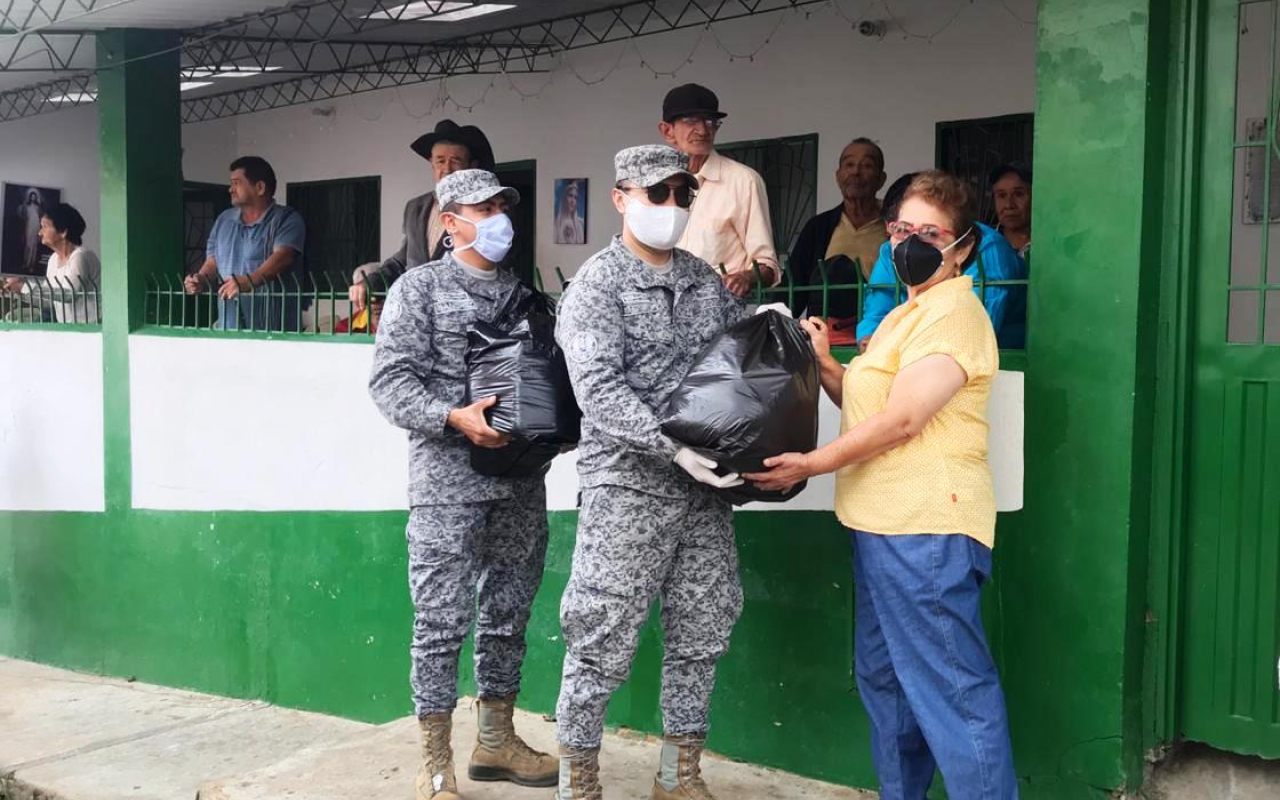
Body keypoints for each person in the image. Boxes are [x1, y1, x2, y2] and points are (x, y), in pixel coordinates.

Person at [745, 171, 1017, 800]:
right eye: (899, 230)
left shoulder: (956, 314)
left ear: (964, 246)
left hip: (927, 527)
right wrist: (827, 365)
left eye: (928, 233)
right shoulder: (905, 313)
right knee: (887, 682)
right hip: (879, 525)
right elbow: (874, 405)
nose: (907, 243)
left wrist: (809, 465)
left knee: (952, 690)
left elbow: (903, 421)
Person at [552, 145, 748, 800]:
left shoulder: (702, 279)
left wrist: (777, 327)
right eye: (656, 194)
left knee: (704, 624)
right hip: (626, 484)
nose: (670, 207)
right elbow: (599, 391)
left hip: (703, 491)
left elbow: (739, 354)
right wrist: (671, 448)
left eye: (680, 195)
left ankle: (678, 775)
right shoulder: (596, 284)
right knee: (600, 632)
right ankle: (578, 779)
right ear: (621, 197)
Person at [368, 169, 557, 800]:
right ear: (450, 221)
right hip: (446, 484)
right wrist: (454, 417)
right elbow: (389, 384)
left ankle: (497, 741)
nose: (500, 216)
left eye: (504, 205)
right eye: (486, 206)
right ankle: (436, 760)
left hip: (520, 483)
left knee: (509, 615)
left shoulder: (526, 295)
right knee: (441, 621)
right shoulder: (417, 291)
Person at [856, 172, 1027, 351]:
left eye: (930, 232)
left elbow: (970, 335)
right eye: (903, 228)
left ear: (963, 248)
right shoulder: (890, 250)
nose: (911, 243)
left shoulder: (988, 251)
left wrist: (888, 350)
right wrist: (870, 346)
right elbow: (876, 316)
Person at [349, 120, 496, 312]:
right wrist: (370, 282)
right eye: (440, 160)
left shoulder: (483, 209)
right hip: (418, 310)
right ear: (431, 164)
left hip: (462, 312)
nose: (447, 169)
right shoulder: (415, 207)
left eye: (456, 161)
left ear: (471, 165)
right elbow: (402, 260)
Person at [659, 83, 780, 297]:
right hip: (664, 311)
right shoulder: (657, 184)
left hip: (717, 313)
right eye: (691, 121)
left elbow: (767, 267)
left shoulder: (743, 181)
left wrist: (746, 277)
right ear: (667, 131)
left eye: (710, 121)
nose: (703, 130)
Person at [184, 156, 306, 331]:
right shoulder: (224, 220)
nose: (230, 189)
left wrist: (248, 282)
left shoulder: (286, 219)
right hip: (229, 326)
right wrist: (200, 279)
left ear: (260, 187)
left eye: (236, 183)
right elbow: (212, 261)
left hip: (274, 330)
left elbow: (282, 257)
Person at [787, 137, 889, 331]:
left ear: (881, 179)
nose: (856, 172)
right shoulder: (818, 227)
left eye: (867, 165)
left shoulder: (896, 226)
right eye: (849, 164)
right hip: (827, 337)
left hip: (881, 333)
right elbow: (794, 286)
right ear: (838, 175)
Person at [2, 203, 101, 324]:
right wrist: (19, 291)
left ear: (63, 231)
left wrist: (25, 286)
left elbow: (69, 295)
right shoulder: (53, 259)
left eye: (45, 226)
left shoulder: (80, 256)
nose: (39, 232)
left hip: (91, 329)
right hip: (68, 329)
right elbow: (50, 301)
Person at [990, 163, 1032, 258]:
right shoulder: (983, 246)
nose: (1009, 205)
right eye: (1002, 195)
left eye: (1018, 194)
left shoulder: (1048, 245)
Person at [554, 180, 585, 244]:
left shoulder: (580, 223)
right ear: (565, 198)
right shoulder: (555, 223)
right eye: (570, 195)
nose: (573, 201)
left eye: (575, 197)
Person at [19, 190, 43, 272]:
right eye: (31, 196)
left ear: (35, 197)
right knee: (28, 245)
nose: (33, 197)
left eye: (34, 196)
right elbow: (24, 216)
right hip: (29, 225)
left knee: (34, 245)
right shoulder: (26, 206)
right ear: (30, 197)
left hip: (36, 225)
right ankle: (25, 263)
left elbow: (40, 217)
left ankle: (31, 266)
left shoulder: (37, 206)